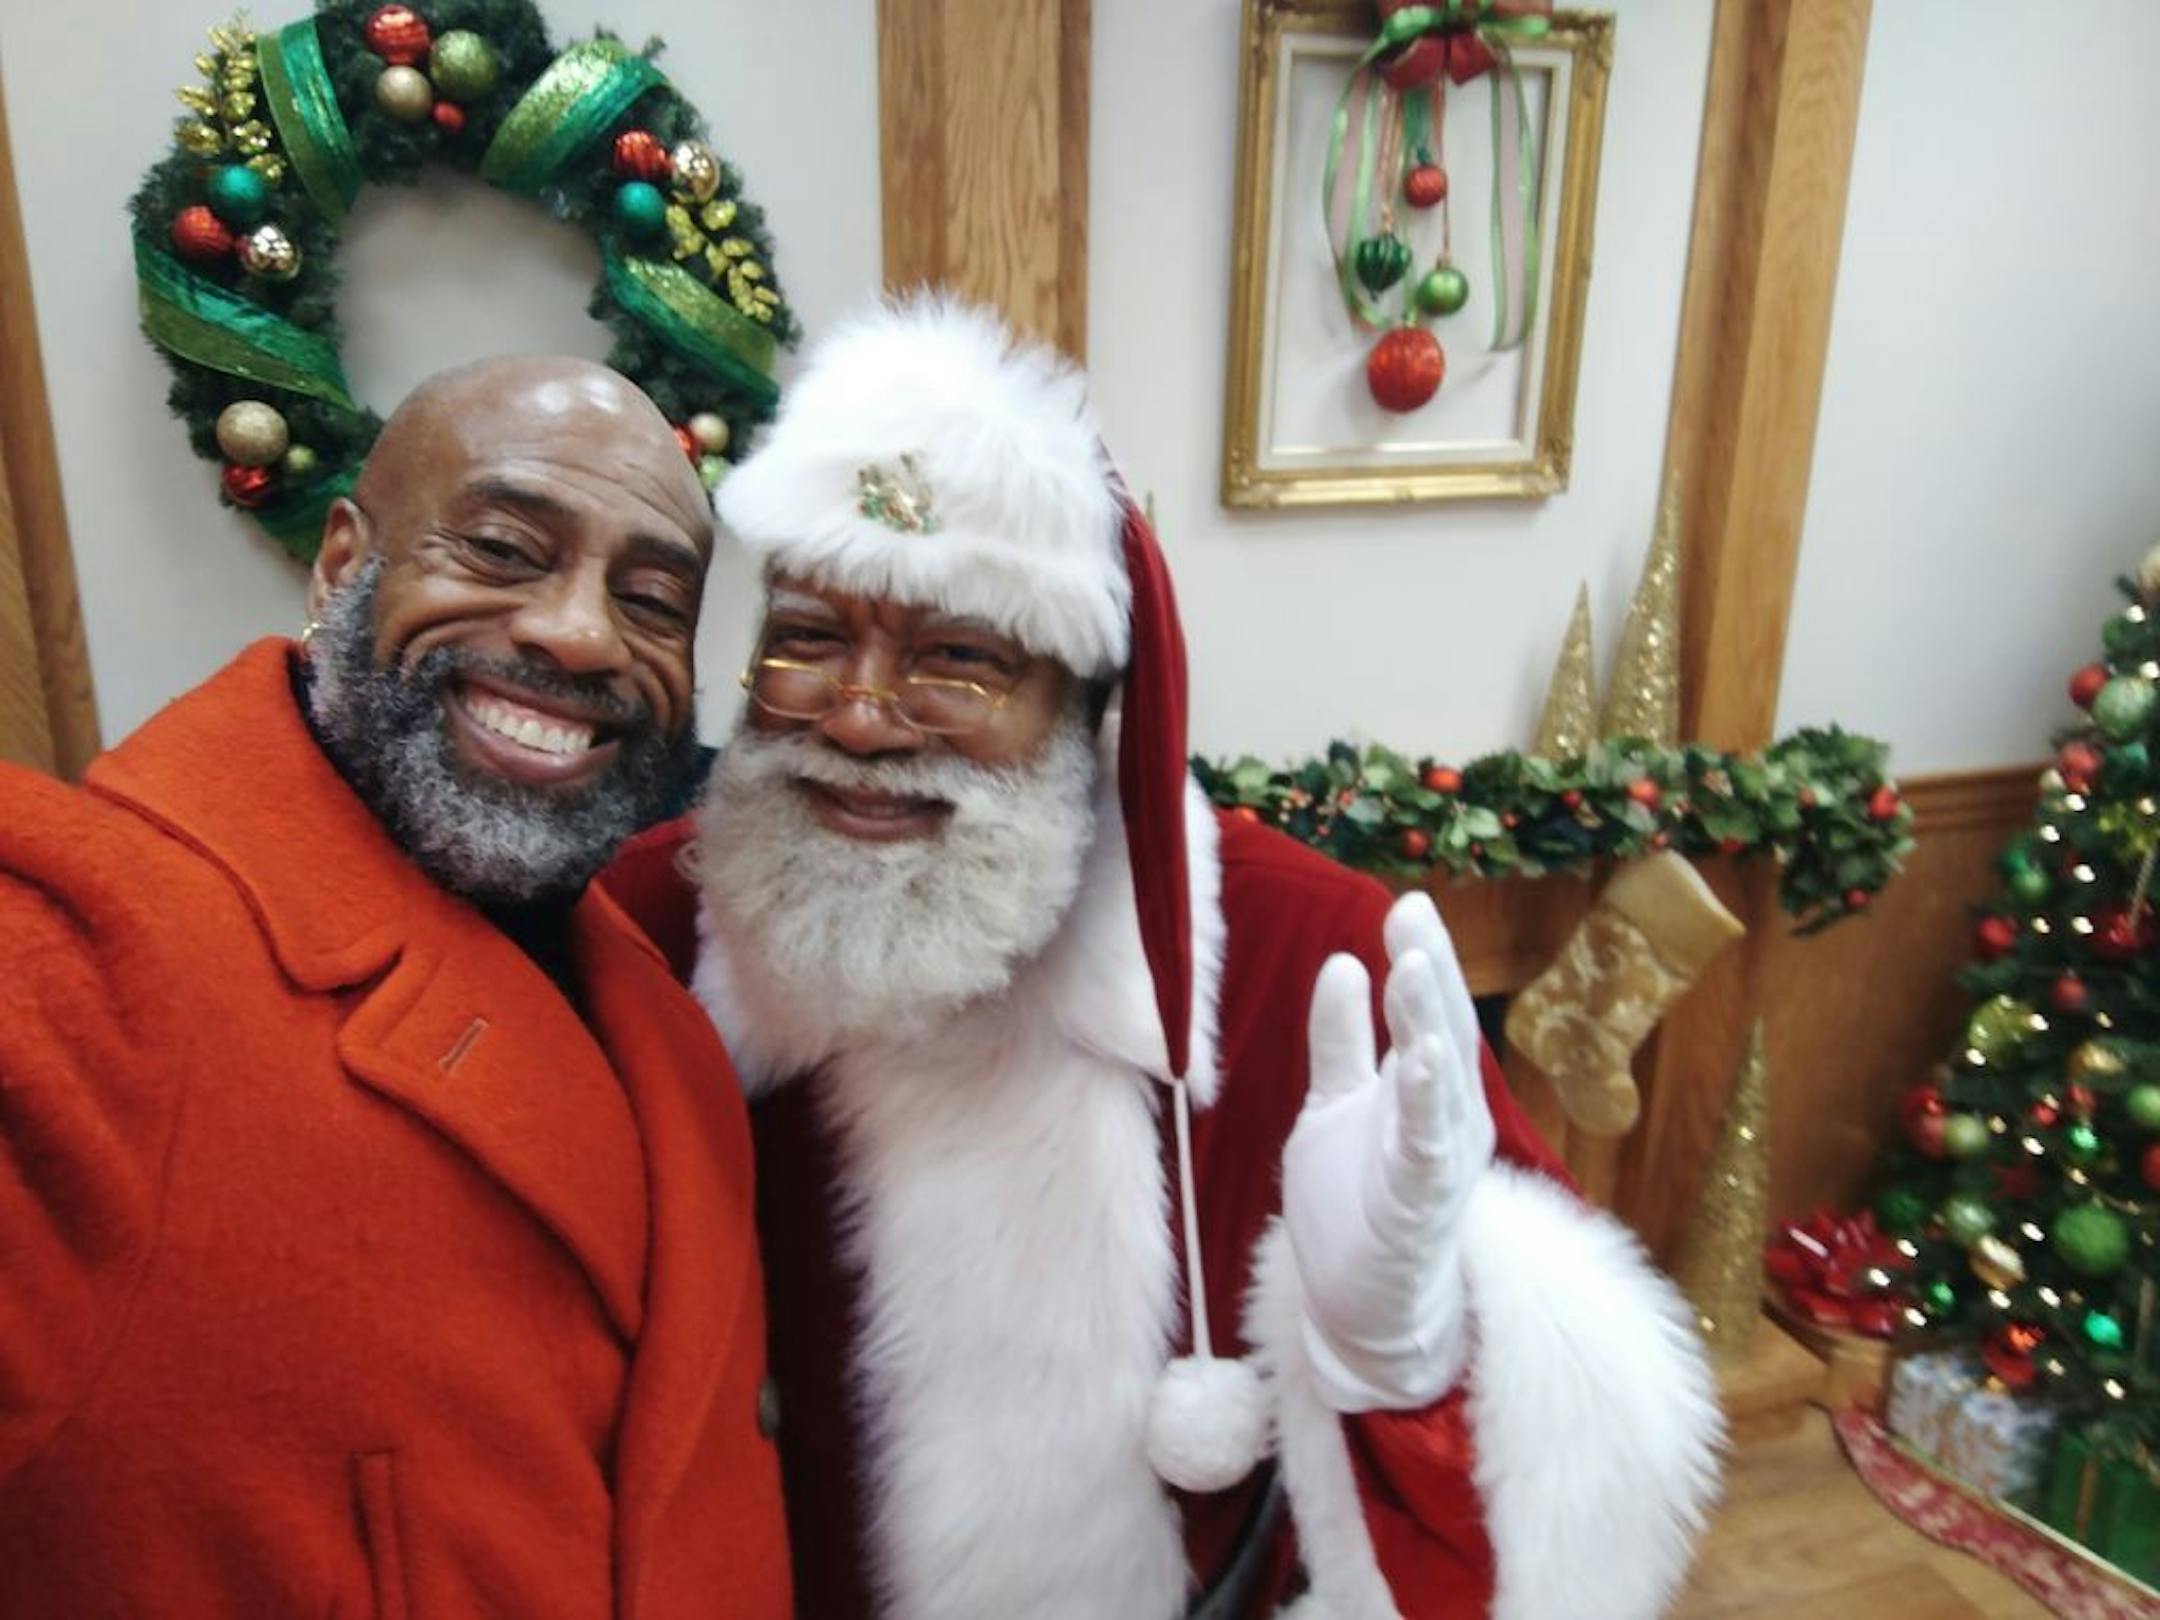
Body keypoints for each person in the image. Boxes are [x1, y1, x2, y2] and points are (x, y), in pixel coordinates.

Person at [604, 299, 1724, 1620]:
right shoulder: (652, 923)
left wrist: (1409, 1346)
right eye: (805, 637)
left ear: (1087, 711)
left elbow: (1569, 1491)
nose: (857, 715)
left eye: (958, 659)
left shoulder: (1305, 958)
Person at [0, 358, 791, 1618]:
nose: (581, 633)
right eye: (502, 549)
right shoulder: (80, 947)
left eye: (651, 601)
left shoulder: (668, 1001)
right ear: (339, 567)